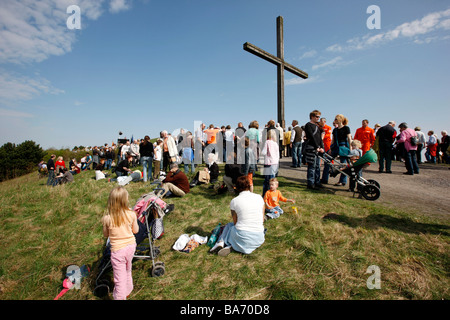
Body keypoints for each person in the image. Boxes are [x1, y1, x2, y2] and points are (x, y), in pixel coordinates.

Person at [209, 176, 265, 257]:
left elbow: (235, 223)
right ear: (249, 185)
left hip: (241, 236)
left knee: (229, 226)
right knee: (233, 227)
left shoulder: (234, 201)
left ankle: (221, 242)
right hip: (258, 237)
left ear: (236, 187)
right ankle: (235, 246)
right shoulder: (259, 197)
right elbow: (262, 219)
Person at [101, 186, 139, 300]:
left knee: (119, 279)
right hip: (131, 246)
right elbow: (136, 230)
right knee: (128, 268)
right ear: (125, 200)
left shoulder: (107, 218)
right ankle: (128, 289)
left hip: (118, 250)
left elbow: (106, 235)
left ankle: (120, 296)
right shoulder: (131, 214)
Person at [304, 110, 324, 190]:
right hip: (311, 148)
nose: (318, 118)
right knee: (312, 166)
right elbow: (311, 137)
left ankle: (317, 182)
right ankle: (311, 183)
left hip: (318, 149)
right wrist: (317, 147)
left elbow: (319, 138)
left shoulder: (317, 126)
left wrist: (321, 147)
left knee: (317, 167)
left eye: (319, 117)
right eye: (317, 116)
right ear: (312, 116)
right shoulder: (308, 125)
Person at [331, 114, 352, 186]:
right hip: (336, 146)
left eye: (336, 119)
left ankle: (342, 181)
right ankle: (325, 177)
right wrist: (331, 148)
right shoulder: (335, 130)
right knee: (327, 159)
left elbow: (349, 139)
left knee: (343, 164)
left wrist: (350, 149)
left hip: (343, 147)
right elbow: (333, 140)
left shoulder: (346, 128)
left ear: (340, 120)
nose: (334, 120)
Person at [261, 128, 279, 198]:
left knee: (267, 181)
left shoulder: (267, 142)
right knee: (273, 181)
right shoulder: (275, 143)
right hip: (275, 163)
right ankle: (272, 195)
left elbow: (264, 152)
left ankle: (265, 195)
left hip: (269, 162)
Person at [319, 117, 332, 184]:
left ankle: (325, 178)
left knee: (327, 162)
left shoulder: (328, 128)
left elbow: (328, 135)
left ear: (324, 121)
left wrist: (322, 137)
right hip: (321, 145)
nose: (320, 122)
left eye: (321, 121)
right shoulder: (319, 127)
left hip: (327, 145)